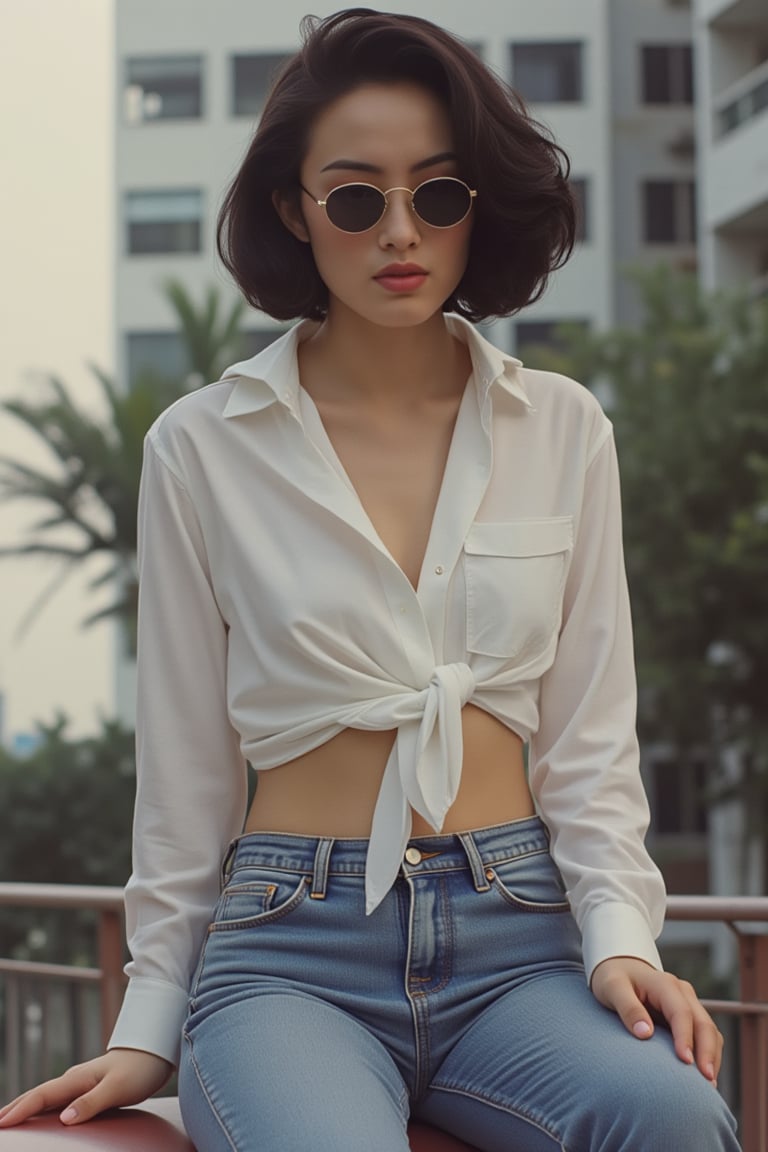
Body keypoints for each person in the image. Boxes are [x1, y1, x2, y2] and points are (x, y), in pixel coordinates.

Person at [0, 9, 741, 1151]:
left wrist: (622, 943)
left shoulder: (562, 428)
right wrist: (150, 1023)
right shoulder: (201, 447)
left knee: (677, 1122)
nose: (401, 232)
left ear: (475, 205)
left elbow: (591, 745)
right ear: (299, 210)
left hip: (522, 945)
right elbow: (188, 771)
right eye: (356, 199)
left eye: (437, 194)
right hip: (293, 956)